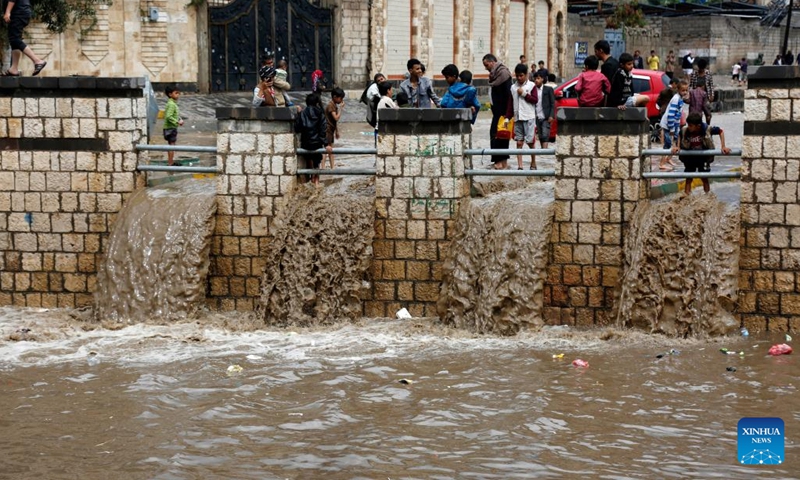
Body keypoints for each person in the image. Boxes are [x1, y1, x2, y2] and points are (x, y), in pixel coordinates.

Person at [672, 112, 730, 195]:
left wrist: (723, 146)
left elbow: (721, 131)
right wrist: (678, 147)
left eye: (691, 125)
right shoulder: (685, 130)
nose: (689, 127)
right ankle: (687, 196)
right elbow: (680, 135)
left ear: (698, 126)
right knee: (688, 178)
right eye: (688, 125)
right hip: (690, 158)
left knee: (704, 178)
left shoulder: (707, 129)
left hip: (703, 158)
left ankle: (707, 196)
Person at [483, 53, 513, 169]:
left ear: (492, 62)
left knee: (498, 135)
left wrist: (507, 114)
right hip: (497, 111)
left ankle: (499, 162)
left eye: (486, 65)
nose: (486, 68)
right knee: (499, 135)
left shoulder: (503, 74)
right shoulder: (494, 75)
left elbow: (508, 95)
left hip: (503, 112)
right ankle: (502, 161)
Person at [295, 93, 332, 187]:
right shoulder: (320, 113)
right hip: (317, 143)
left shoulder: (303, 112)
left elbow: (298, 128)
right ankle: (316, 182)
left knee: (309, 160)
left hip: (306, 143)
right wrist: (326, 144)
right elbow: (323, 130)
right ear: (317, 102)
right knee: (317, 161)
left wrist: (299, 114)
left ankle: (311, 179)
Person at [2, 0, 47, 76]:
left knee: (15, 39)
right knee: (14, 40)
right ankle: (14, 68)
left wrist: (7, 12)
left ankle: (37, 61)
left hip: (18, 12)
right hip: (20, 11)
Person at [506, 63, 538, 170]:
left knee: (530, 142)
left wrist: (524, 94)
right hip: (517, 118)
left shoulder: (531, 86)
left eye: (521, 76)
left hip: (529, 117)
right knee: (519, 142)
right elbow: (510, 104)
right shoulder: (512, 88)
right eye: (517, 76)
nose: (519, 78)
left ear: (526, 75)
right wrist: (507, 118)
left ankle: (533, 162)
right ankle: (520, 166)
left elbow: (535, 100)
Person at [658, 78, 689, 171]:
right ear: (678, 90)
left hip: (674, 125)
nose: (685, 92)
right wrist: (672, 129)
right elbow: (671, 115)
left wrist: (677, 127)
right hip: (668, 124)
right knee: (667, 144)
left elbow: (677, 114)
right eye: (683, 90)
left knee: (676, 142)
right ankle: (661, 163)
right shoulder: (676, 99)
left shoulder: (680, 98)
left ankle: (668, 159)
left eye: (686, 90)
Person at [532, 71, 555, 169]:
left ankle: (545, 156)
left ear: (542, 79)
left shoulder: (548, 89)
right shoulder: (532, 90)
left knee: (545, 135)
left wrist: (551, 115)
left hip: (546, 116)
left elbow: (552, 103)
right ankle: (543, 156)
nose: (536, 80)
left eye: (538, 78)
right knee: (540, 135)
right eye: (535, 78)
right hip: (537, 116)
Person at [324, 88, 345, 169]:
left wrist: (337, 131)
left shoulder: (333, 105)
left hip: (330, 130)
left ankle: (332, 168)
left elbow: (334, 121)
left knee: (329, 150)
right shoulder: (331, 106)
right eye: (341, 98)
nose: (341, 100)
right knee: (326, 150)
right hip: (327, 130)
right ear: (335, 97)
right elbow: (336, 118)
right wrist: (341, 108)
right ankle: (323, 169)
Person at [163, 85, 184, 167]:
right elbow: (168, 116)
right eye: (176, 93)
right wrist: (177, 122)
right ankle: (170, 163)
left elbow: (173, 114)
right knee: (172, 145)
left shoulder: (171, 103)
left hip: (170, 127)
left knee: (171, 145)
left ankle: (170, 162)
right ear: (170, 94)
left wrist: (179, 119)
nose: (178, 95)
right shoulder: (171, 104)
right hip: (170, 128)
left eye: (178, 93)